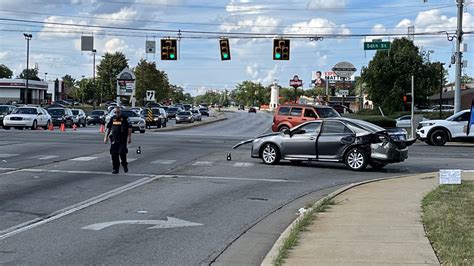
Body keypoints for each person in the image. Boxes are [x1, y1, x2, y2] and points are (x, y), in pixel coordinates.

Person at [104, 106, 132, 174]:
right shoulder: (112, 118)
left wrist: (129, 137)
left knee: (122, 152)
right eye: (115, 112)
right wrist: (106, 137)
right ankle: (115, 169)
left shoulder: (125, 118)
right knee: (114, 154)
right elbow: (108, 128)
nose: (116, 113)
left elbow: (129, 128)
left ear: (120, 112)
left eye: (118, 112)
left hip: (122, 138)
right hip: (114, 138)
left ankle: (124, 165)